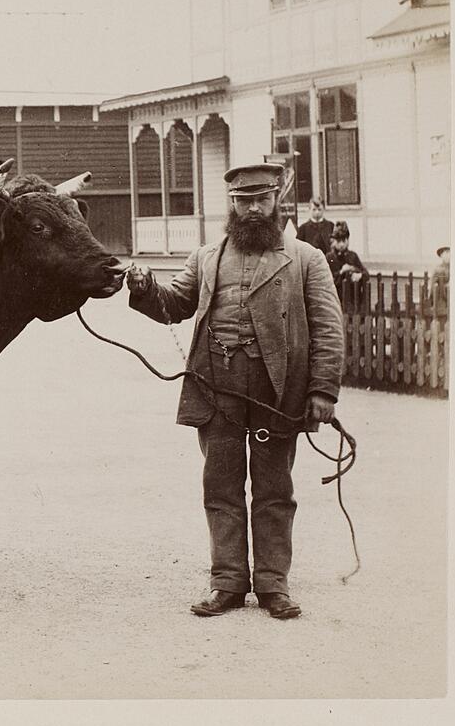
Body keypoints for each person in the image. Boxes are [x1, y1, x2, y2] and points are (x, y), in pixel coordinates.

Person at [125, 161, 345, 620]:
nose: (253, 209)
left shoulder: (306, 259)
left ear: (276, 200)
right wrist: (145, 288)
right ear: (232, 205)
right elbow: (175, 305)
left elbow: (328, 327)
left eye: (261, 199)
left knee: (274, 488)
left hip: (276, 389)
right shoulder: (206, 257)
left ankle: (273, 585)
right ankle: (226, 582)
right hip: (216, 385)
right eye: (244, 202)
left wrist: (323, 391)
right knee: (221, 485)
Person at [326, 222, 367, 300]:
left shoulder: (353, 255)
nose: (341, 244)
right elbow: (327, 280)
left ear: (348, 240)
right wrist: (341, 272)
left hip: (353, 299)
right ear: (333, 241)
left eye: (344, 240)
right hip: (336, 298)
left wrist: (358, 274)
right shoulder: (329, 257)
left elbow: (366, 274)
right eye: (338, 241)